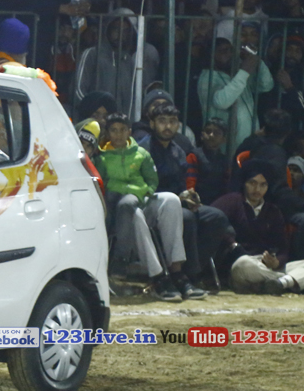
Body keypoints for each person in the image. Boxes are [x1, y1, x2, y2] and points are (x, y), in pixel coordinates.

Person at [97, 113, 188, 302]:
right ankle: (158, 277)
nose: (119, 134)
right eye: (114, 130)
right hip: (120, 205)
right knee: (134, 213)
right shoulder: (102, 157)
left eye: (123, 130)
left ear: (129, 132)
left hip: (142, 197)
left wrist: (145, 192)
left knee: (171, 200)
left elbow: (152, 180)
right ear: (107, 133)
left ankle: (177, 271)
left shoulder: (140, 153)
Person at [138, 104, 223, 296]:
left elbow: (180, 186)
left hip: (176, 202)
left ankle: (196, 271)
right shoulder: (142, 150)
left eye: (172, 122)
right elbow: (144, 188)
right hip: (151, 205)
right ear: (152, 124)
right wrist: (178, 198)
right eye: (162, 121)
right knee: (187, 218)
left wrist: (188, 196)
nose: (167, 126)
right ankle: (182, 276)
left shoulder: (178, 151)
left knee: (216, 217)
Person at [212, 159, 304, 294]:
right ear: (244, 183)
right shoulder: (231, 201)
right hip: (244, 266)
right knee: (243, 264)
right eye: (252, 183)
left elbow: (283, 248)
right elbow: (211, 221)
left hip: (268, 266)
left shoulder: (273, 211)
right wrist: (232, 244)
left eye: (263, 185)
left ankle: (279, 283)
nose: (257, 189)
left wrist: (276, 262)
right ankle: (290, 281)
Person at [74, 8, 160, 122]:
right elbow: (78, 90)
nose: (120, 34)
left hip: (120, 127)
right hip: (94, 123)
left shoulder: (130, 61)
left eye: (125, 31)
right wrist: (94, 114)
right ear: (107, 29)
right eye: (116, 28)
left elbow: (135, 99)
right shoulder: (92, 54)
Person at [198, 31, 274, 154]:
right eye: (223, 51)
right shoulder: (207, 77)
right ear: (211, 55)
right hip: (226, 147)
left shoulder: (236, 74)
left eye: (231, 50)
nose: (230, 54)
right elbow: (221, 101)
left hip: (250, 142)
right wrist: (245, 71)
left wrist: (257, 61)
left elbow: (266, 85)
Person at [259, 34, 304, 138]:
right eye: (289, 49)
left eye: (297, 51)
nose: (292, 54)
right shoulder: (269, 72)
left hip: (295, 137)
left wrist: (290, 88)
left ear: (303, 55)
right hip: (266, 134)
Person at [186, 117, 231, 206]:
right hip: (197, 203)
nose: (211, 135)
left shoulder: (225, 160)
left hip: (219, 203)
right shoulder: (194, 156)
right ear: (202, 135)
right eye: (208, 131)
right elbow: (189, 184)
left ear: (224, 139)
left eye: (217, 133)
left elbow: (228, 186)